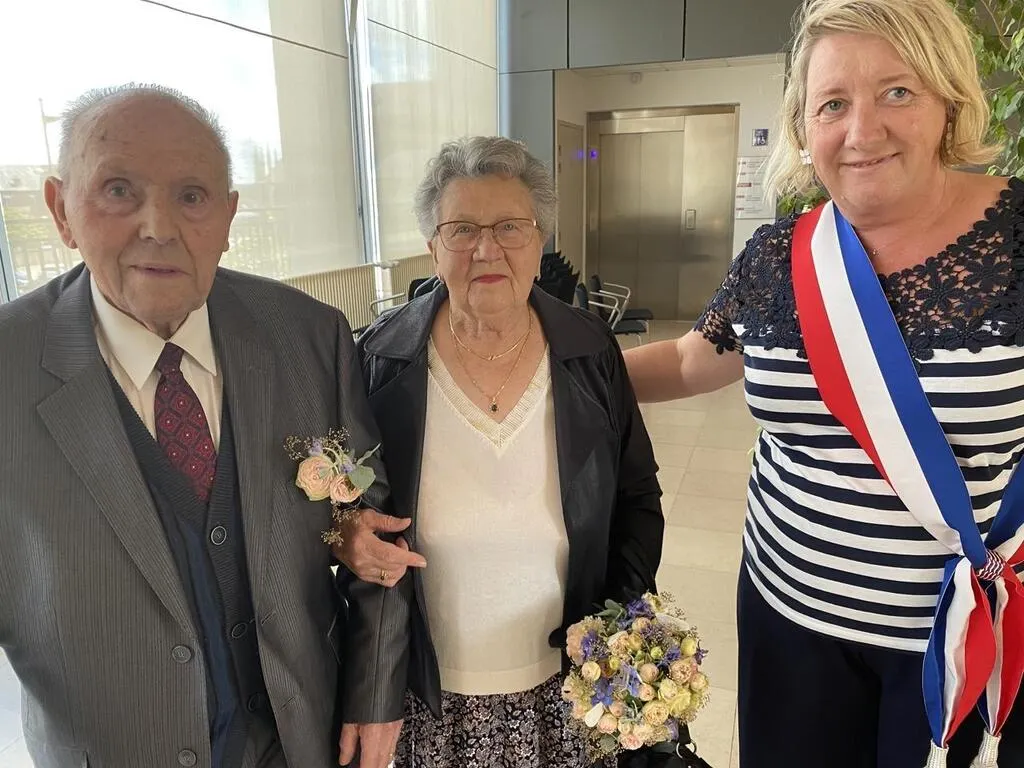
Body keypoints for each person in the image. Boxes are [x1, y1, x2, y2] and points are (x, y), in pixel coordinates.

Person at [623, 0, 1024, 766]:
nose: (862, 131)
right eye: (833, 103)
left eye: (897, 92)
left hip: (962, 636)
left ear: (949, 100)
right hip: (789, 623)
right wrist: (544, 359)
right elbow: (683, 362)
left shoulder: (1015, 238)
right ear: (805, 128)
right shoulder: (778, 255)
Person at [0, 84, 421, 768]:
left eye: (192, 195)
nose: (158, 225)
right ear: (61, 210)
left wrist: (374, 695)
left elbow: (368, 524)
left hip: (301, 741)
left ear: (227, 217)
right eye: (117, 190)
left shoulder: (307, 338)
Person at [347, 136, 664, 768]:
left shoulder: (587, 352)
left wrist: (615, 638)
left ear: (540, 240)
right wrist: (345, 539)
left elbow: (637, 498)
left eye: (509, 227)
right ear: (433, 246)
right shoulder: (380, 361)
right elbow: (344, 517)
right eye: (461, 229)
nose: (485, 249)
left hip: (563, 683)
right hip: (426, 693)